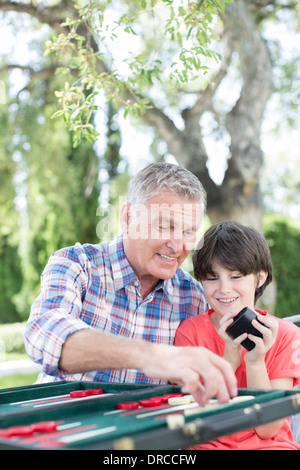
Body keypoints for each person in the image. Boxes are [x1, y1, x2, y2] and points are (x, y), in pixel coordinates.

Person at [24, 163, 237, 405]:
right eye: (165, 226)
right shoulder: (77, 264)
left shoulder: (193, 298)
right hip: (59, 427)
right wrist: (152, 356)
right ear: (127, 217)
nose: (178, 247)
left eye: (189, 232)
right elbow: (42, 336)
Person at [175, 221, 300, 450]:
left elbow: (267, 429)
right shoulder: (190, 332)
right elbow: (193, 419)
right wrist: (229, 361)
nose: (223, 289)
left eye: (236, 276)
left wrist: (255, 362)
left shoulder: (286, 336)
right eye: (212, 278)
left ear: (260, 278)